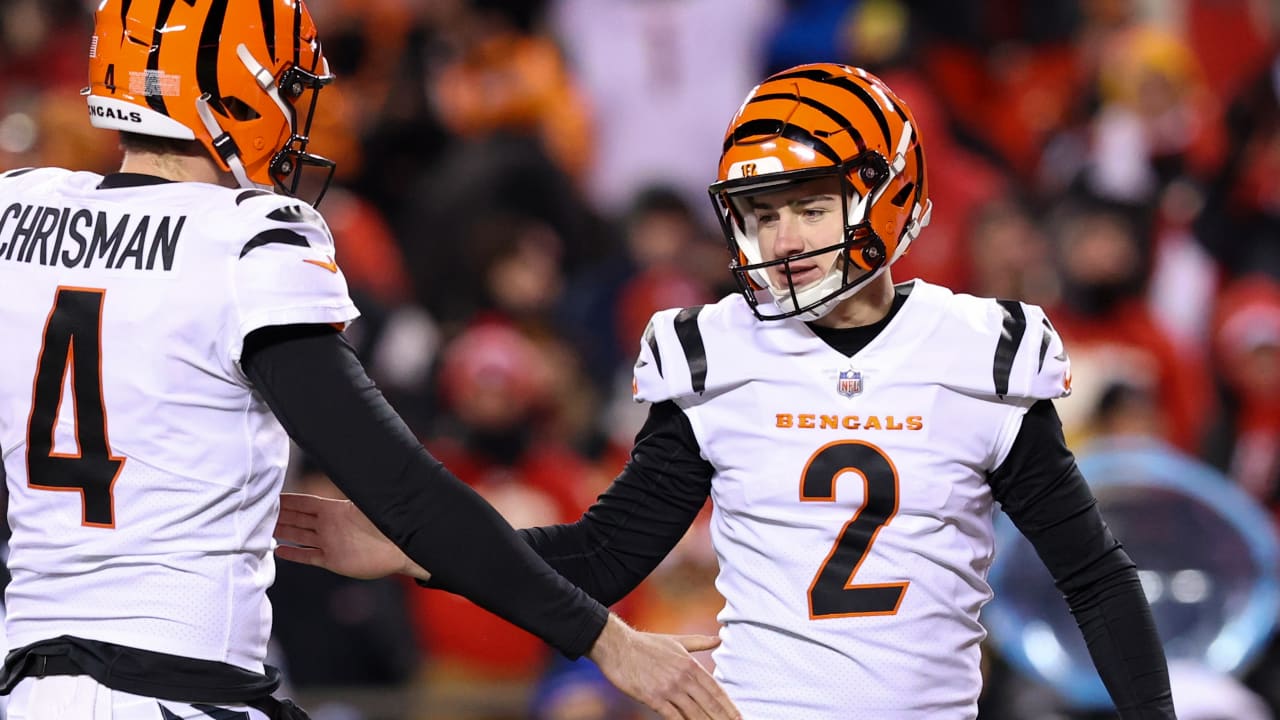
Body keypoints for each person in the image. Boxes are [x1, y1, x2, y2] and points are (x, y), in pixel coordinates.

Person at [274, 63, 1177, 718]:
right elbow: (601, 558)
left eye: (808, 206)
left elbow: (1091, 579)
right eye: (761, 213)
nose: (782, 238)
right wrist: (414, 548)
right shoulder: (717, 353)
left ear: (886, 192)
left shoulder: (978, 351)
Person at [0, 3, 740, 720]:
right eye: (287, 88)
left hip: (27, 688)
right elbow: (406, 492)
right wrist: (607, 642)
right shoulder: (241, 242)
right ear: (232, 91)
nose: (298, 113)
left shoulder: (16, 216)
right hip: (175, 687)